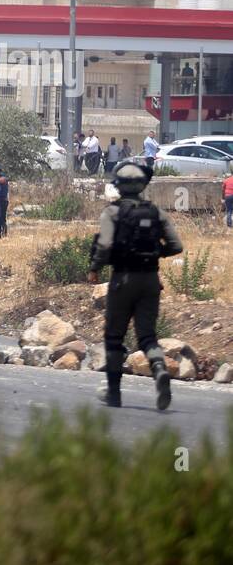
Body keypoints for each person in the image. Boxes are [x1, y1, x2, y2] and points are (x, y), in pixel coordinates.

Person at [89, 162, 184, 410]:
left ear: (118, 186)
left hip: (123, 280)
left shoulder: (112, 213)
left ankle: (114, 392)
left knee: (114, 337)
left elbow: (105, 245)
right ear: (142, 186)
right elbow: (176, 246)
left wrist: (94, 267)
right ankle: (160, 368)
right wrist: (154, 253)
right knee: (148, 336)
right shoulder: (156, 213)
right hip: (151, 280)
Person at [224, 165, 233, 230]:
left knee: (229, 210)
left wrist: (223, 198)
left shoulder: (227, 180)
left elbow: (223, 189)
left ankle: (229, 225)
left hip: (228, 196)